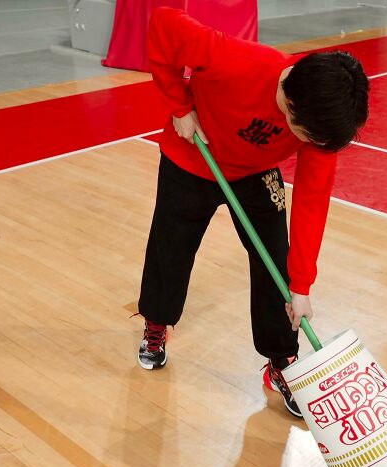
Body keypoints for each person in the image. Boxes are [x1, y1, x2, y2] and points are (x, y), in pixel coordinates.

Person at [137, 7, 369, 418]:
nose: (308, 144)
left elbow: (312, 203)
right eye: (303, 135)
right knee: (170, 249)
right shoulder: (235, 59)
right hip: (193, 156)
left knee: (277, 269)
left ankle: (281, 361)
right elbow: (162, 24)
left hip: (255, 173)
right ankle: (157, 323)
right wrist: (179, 106)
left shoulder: (319, 130)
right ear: (290, 103)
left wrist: (301, 285)